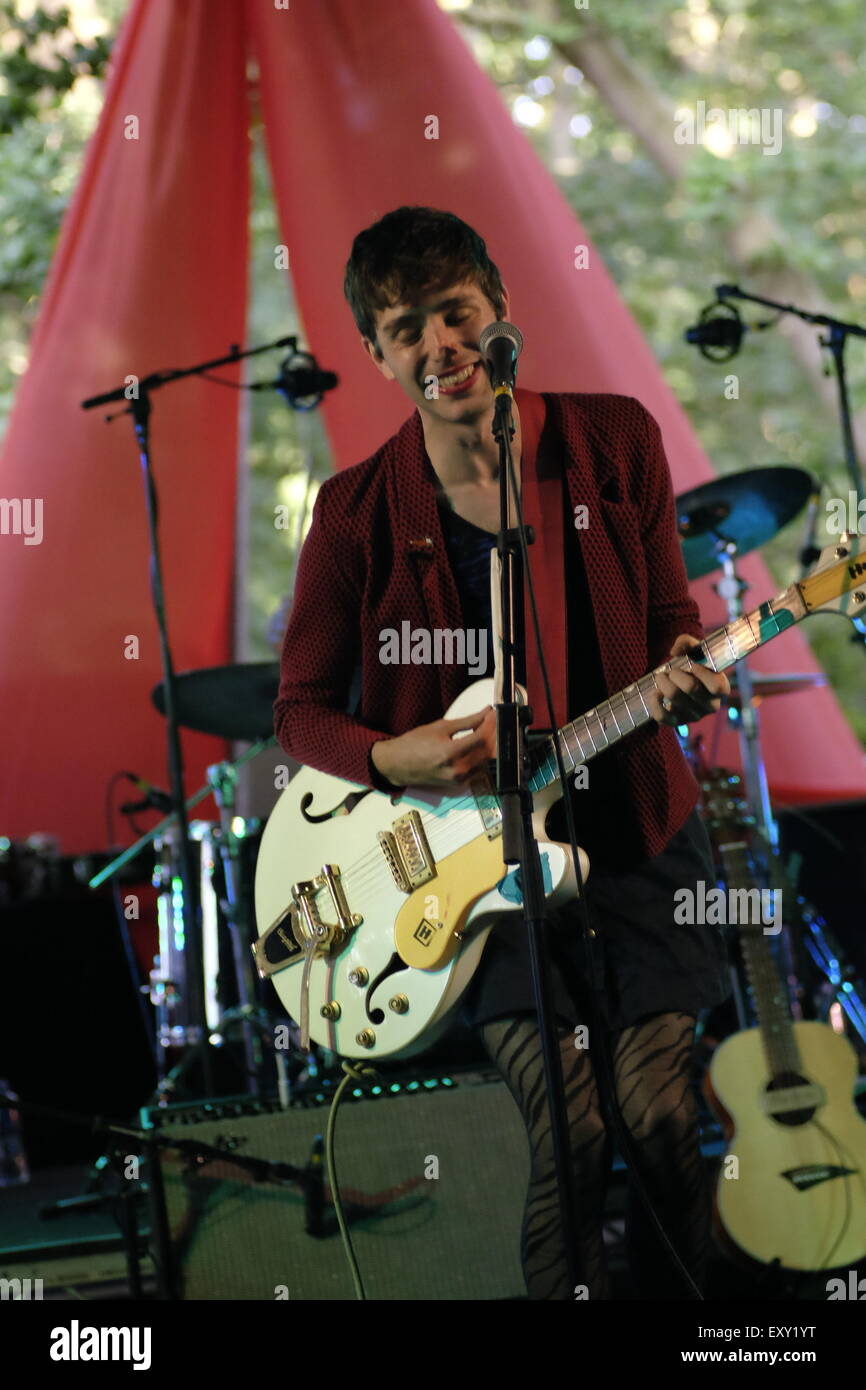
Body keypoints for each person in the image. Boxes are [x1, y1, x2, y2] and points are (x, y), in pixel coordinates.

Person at [274, 205, 733, 1300]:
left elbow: (673, 614)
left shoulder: (612, 439)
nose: (436, 343)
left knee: (665, 1117)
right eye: (403, 327)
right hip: (474, 882)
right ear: (378, 353)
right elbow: (296, 710)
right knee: (570, 1136)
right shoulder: (352, 516)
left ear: (498, 313)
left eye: (454, 312)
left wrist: (684, 676)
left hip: (632, 837)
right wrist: (396, 758)